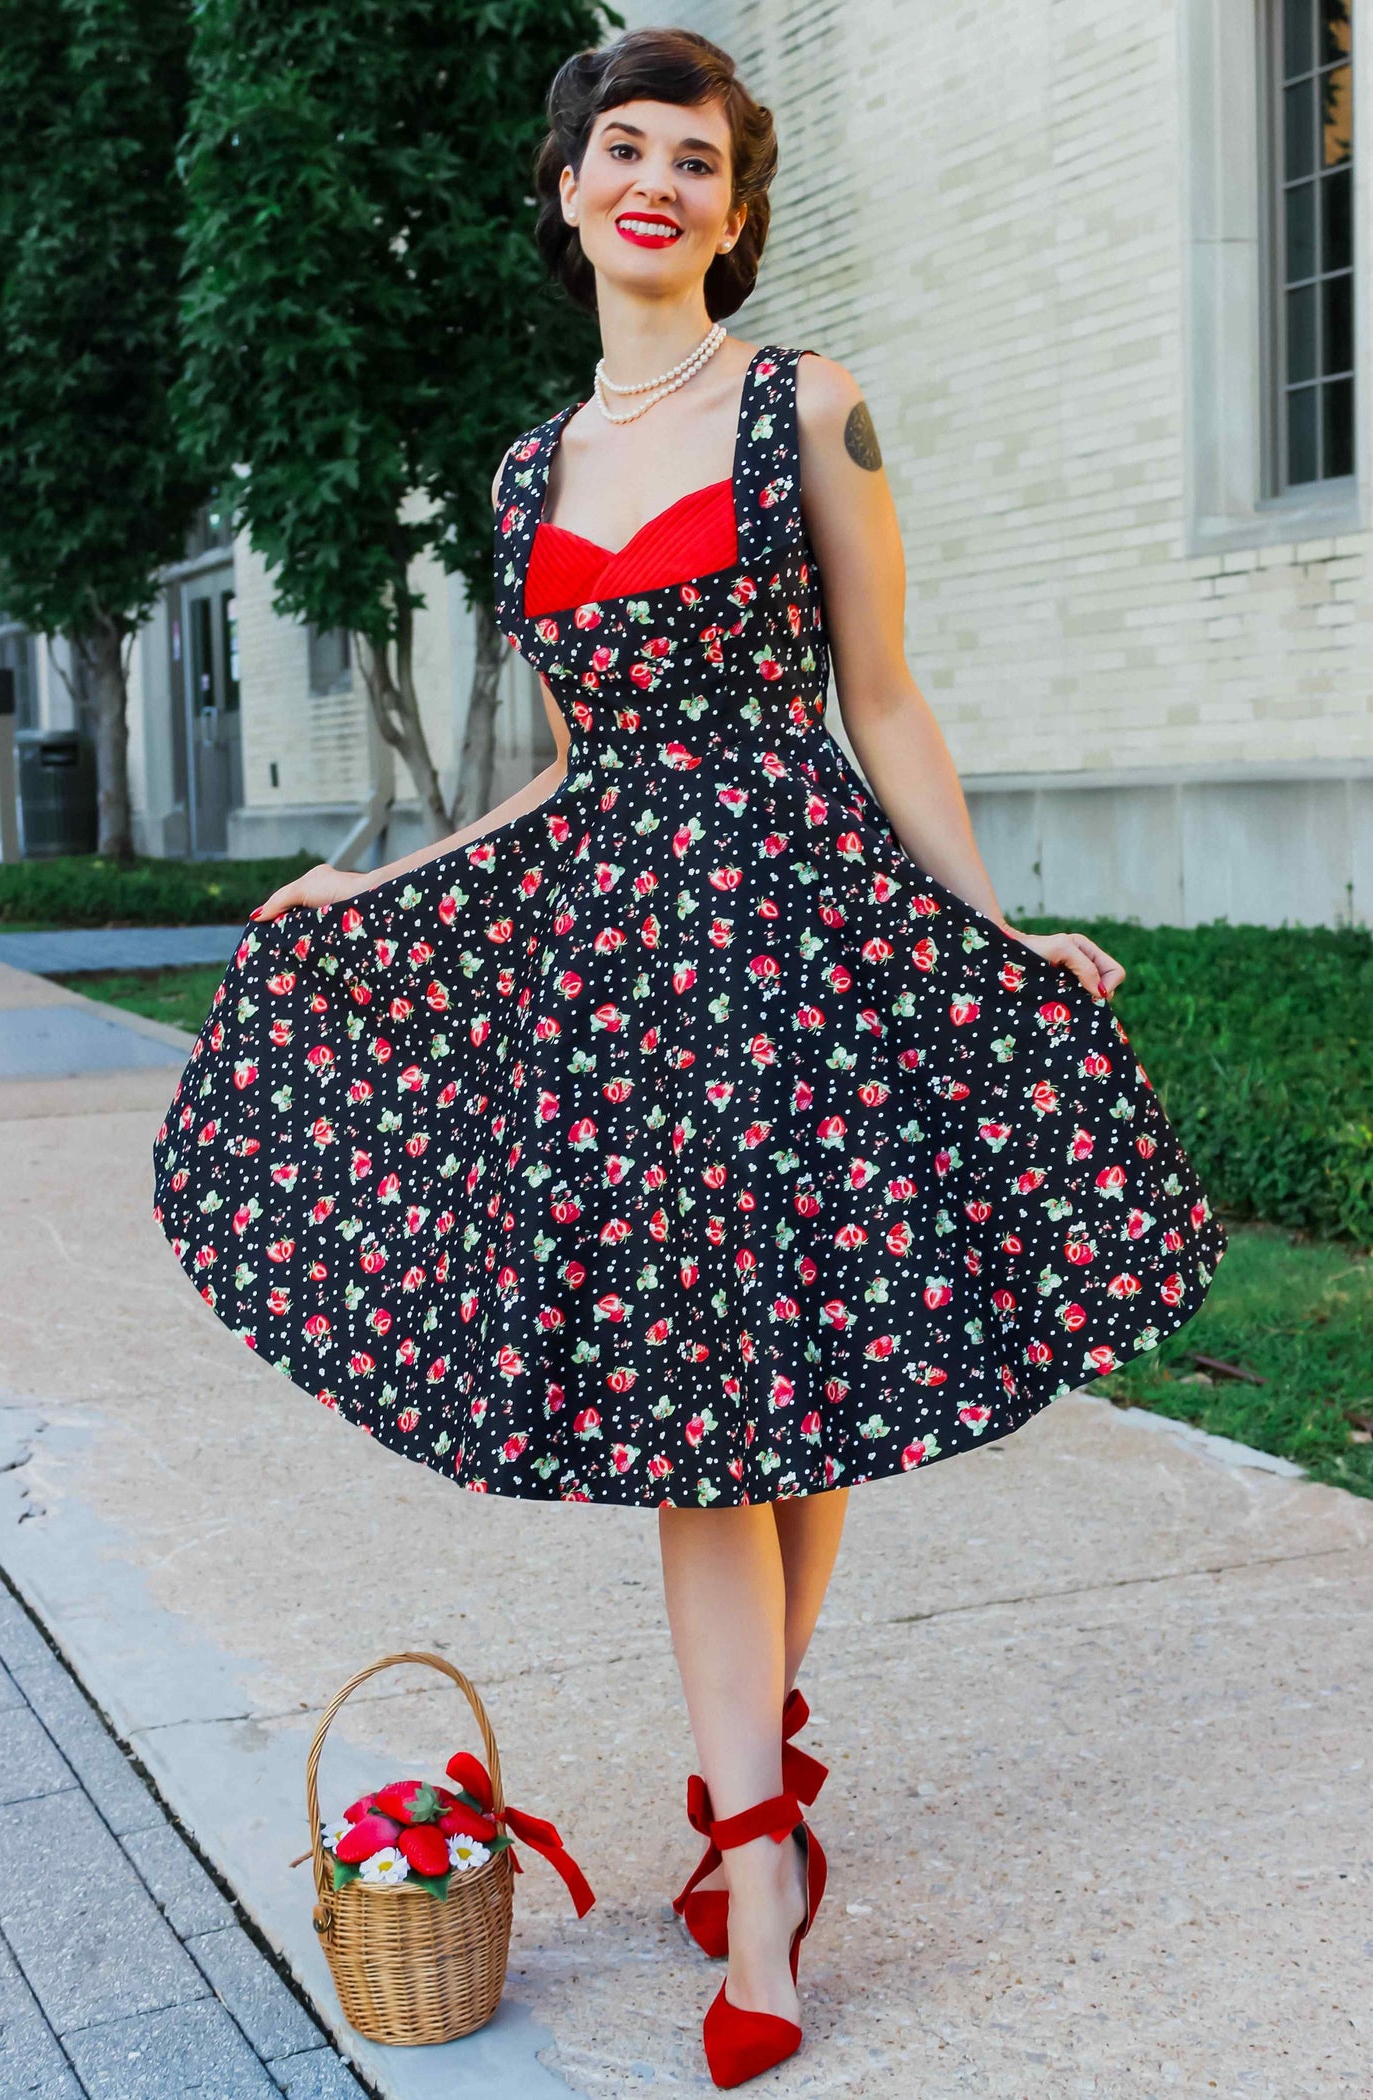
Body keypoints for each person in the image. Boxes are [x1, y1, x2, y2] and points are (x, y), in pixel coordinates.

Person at [152, 26, 1226, 2089]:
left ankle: (751, 1851)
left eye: (697, 159)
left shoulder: (802, 401)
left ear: (734, 210)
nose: (655, 182)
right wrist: (369, 896)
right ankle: (759, 1854)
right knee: (696, 1409)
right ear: (566, 192)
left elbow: (886, 698)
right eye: (621, 150)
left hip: (809, 940)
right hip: (620, 977)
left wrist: (987, 941)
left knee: (780, 1389)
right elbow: (573, 765)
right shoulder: (530, 469)